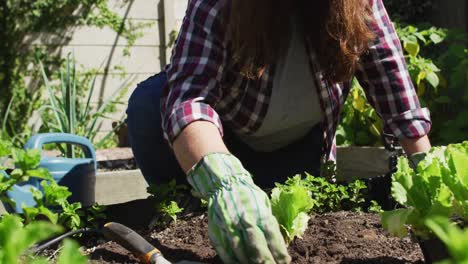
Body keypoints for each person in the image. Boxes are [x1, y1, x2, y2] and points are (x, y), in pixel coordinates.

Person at [126, 0, 432, 263]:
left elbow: (395, 93)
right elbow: (189, 99)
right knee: (149, 102)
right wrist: (225, 183)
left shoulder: (357, 4)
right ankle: (189, 209)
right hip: (224, 144)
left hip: (297, 151)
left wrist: (429, 181)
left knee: (281, 218)